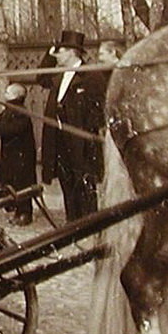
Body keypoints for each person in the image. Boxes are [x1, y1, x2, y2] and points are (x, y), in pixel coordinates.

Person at [37, 29, 106, 223]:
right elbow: (40, 78)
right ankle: (72, 227)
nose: (57, 55)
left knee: (84, 189)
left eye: (60, 51)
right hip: (59, 142)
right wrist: (50, 53)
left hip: (81, 144)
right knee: (67, 186)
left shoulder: (91, 76)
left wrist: (88, 135)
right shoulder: (58, 76)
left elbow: (98, 110)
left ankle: (90, 229)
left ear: (71, 52)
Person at [0, 83, 39, 226]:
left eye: (7, 92)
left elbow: (10, 129)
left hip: (22, 157)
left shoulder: (21, 113)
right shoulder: (9, 110)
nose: (5, 94)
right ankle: (16, 211)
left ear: (15, 96)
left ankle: (25, 213)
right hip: (11, 155)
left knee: (22, 184)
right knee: (12, 183)